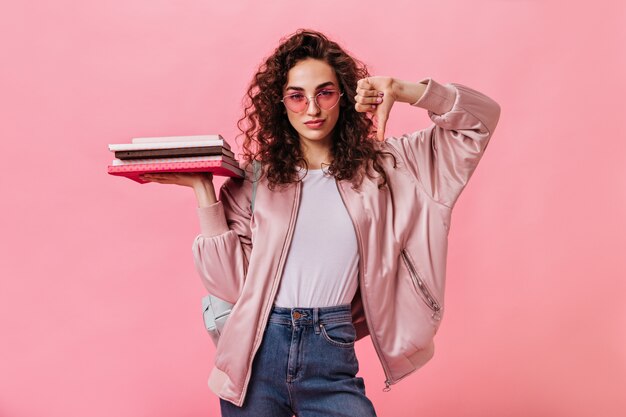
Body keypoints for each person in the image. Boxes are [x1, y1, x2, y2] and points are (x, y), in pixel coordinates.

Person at [139, 29, 501, 417]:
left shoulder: (393, 166)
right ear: (281, 104)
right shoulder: (256, 181)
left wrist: (405, 89)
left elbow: (480, 120)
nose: (312, 108)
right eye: (297, 96)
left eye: (325, 93)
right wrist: (204, 194)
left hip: (331, 353)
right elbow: (229, 285)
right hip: (255, 357)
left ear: (343, 96)